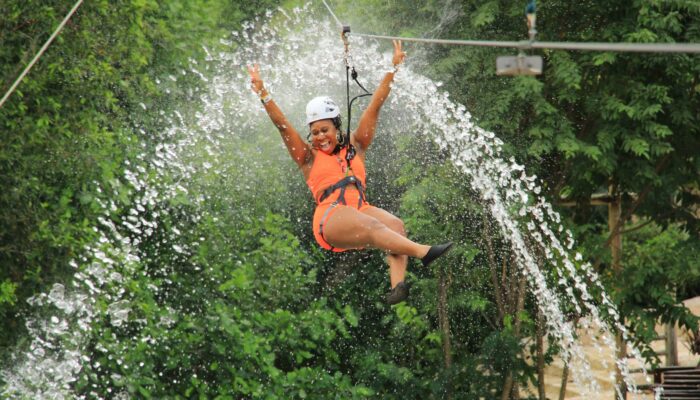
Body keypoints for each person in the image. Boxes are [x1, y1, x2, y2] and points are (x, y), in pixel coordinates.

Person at [247, 40, 452, 304]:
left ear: (336, 127)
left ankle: (397, 288)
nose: (320, 136)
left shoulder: (357, 145)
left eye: (325, 130)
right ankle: (424, 253)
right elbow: (283, 126)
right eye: (315, 132)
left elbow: (375, 105)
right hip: (329, 219)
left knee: (395, 225)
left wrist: (393, 69)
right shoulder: (308, 158)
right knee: (371, 224)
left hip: (359, 211)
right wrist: (263, 93)